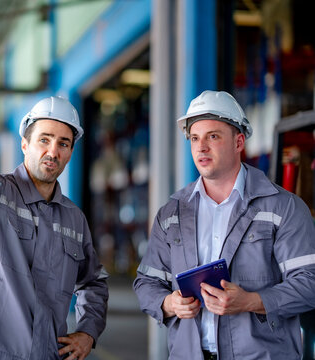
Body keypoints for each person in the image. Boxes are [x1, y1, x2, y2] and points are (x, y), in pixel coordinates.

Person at [133, 90, 315, 360]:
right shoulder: (172, 213)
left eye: (213, 136)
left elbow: (310, 283)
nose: (201, 147)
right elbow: (146, 282)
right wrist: (169, 303)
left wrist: (253, 301)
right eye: (194, 138)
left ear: (239, 142)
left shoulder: (283, 207)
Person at [0, 96, 109, 360]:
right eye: (44, 139)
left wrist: (88, 332)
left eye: (63, 143)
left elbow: (94, 282)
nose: (53, 151)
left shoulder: (74, 219)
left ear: (70, 153)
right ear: (24, 144)